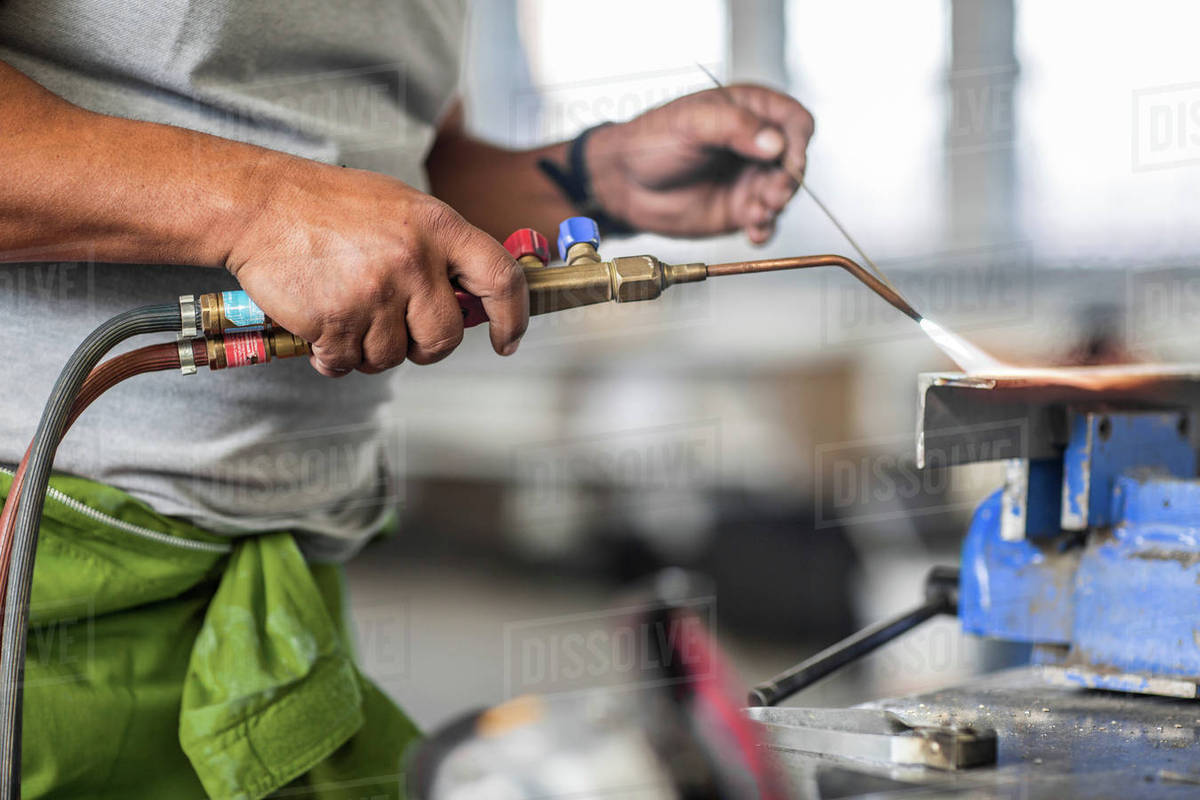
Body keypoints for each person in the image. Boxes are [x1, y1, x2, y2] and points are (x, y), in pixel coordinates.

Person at [0, 2, 813, 797]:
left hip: (279, 573)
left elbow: (394, 185)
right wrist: (260, 209)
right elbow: (305, 205)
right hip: (51, 566)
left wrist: (594, 176)